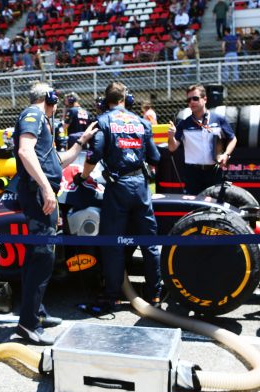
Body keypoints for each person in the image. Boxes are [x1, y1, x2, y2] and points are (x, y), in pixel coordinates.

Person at [13, 82, 98, 345]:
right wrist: (45, 188)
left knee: (40, 257)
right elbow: (25, 151)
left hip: (42, 192)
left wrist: (81, 141)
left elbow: (56, 161)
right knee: (41, 257)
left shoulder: (42, 123)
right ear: (50, 98)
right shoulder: (35, 114)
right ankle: (27, 324)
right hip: (39, 194)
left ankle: (36, 312)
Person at [77, 82, 162, 309]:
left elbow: (93, 155)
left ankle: (113, 294)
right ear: (127, 99)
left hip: (117, 188)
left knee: (112, 243)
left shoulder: (103, 121)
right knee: (150, 243)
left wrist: (83, 178)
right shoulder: (143, 122)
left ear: (106, 101)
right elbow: (155, 156)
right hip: (142, 187)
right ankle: (155, 294)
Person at [167, 84, 237, 195]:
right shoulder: (184, 123)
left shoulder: (219, 119)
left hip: (214, 170)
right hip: (193, 173)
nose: (192, 102)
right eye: (189, 100)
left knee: (215, 207)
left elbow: (233, 139)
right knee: (195, 208)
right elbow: (172, 147)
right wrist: (171, 136)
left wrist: (226, 155)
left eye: (195, 98)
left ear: (205, 99)